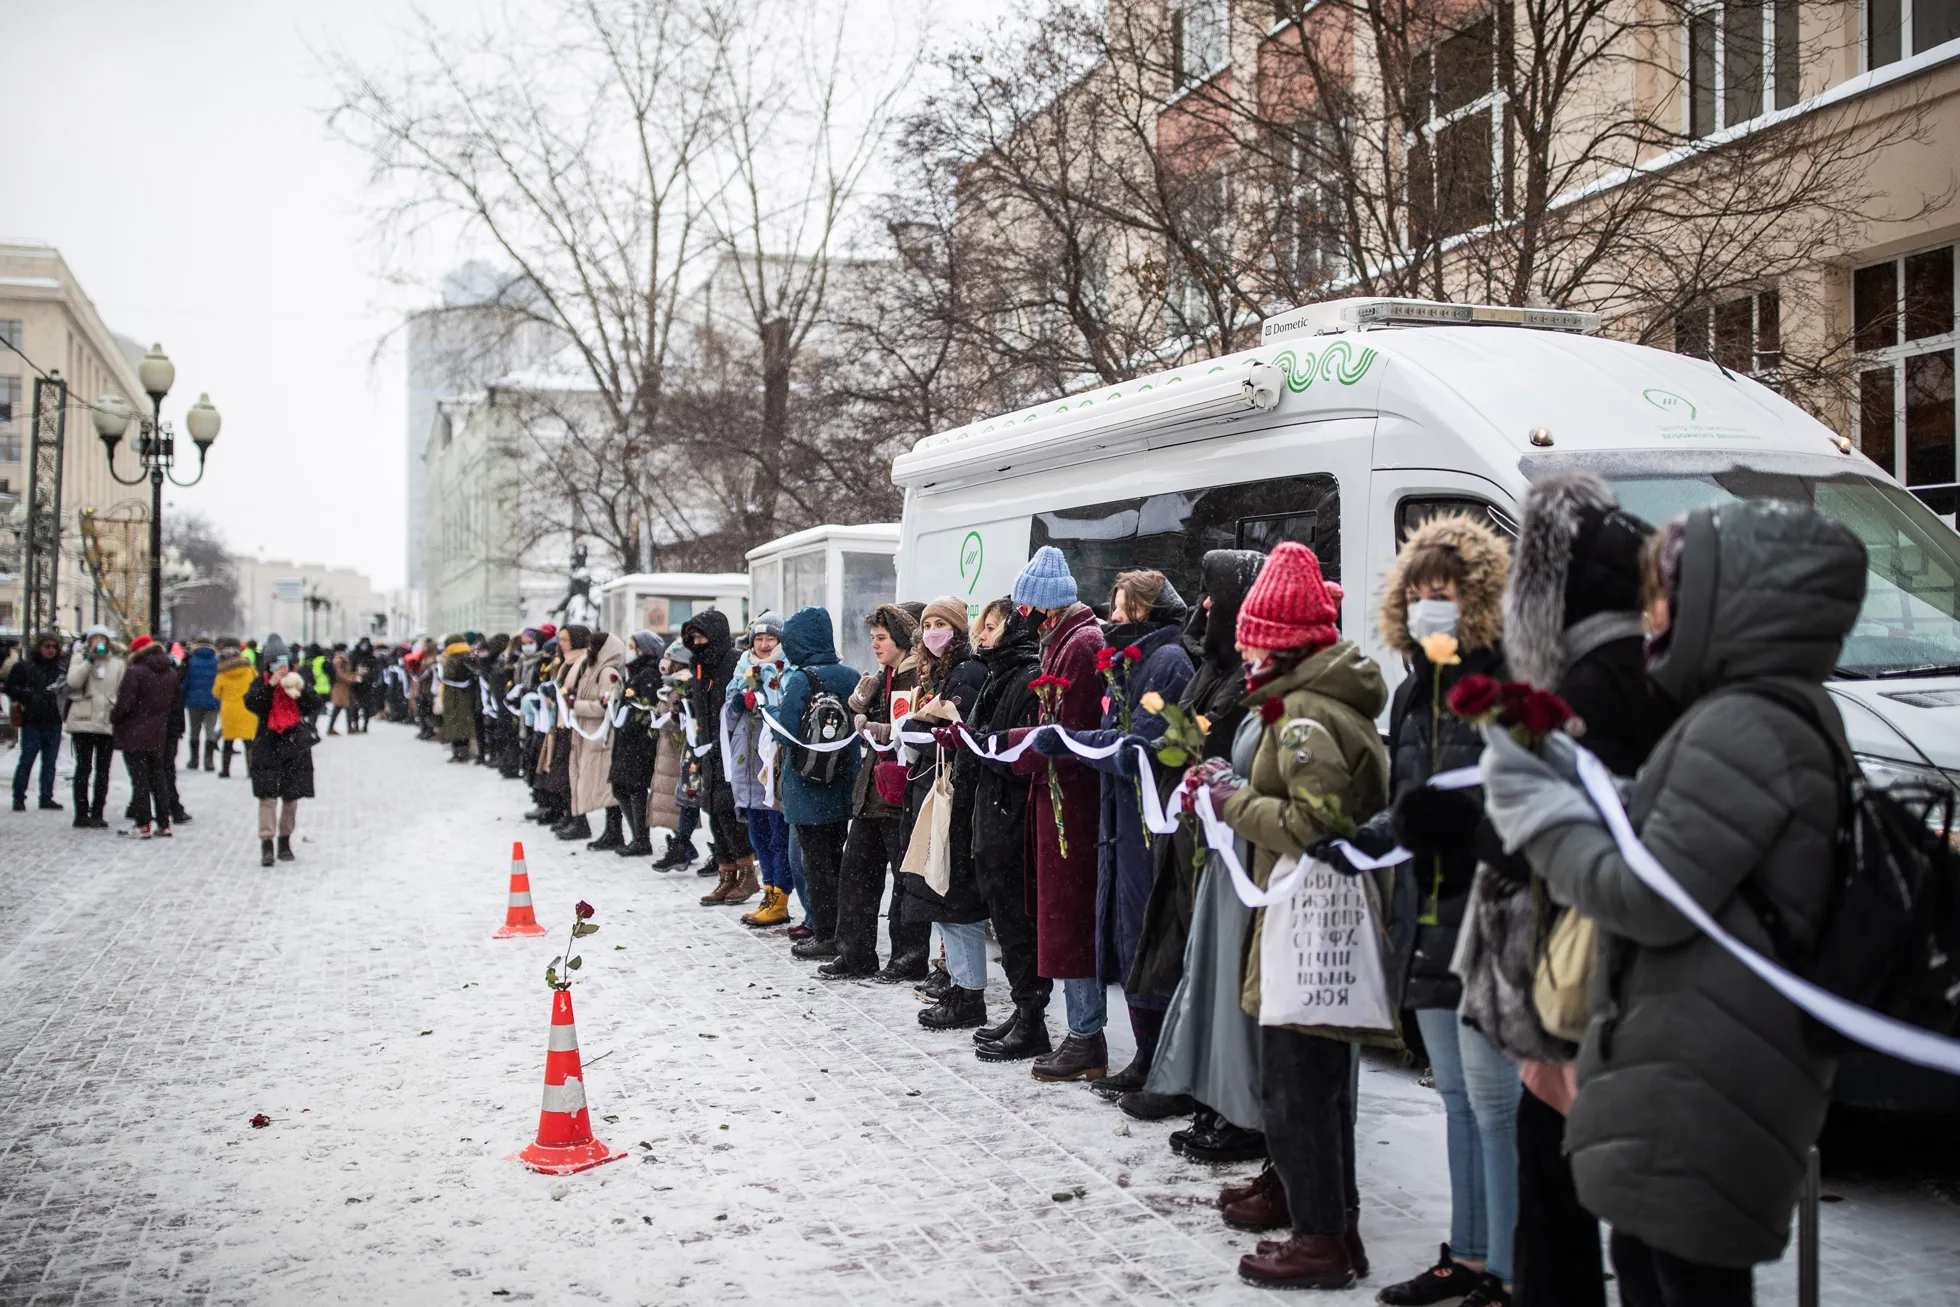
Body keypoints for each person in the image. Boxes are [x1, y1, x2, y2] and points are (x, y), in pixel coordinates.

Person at [1480, 500, 1861, 1307]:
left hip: (1703, 1066)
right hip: (1703, 1052)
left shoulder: (1744, 724)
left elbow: (1645, 896)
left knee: (1677, 1280)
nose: (1650, 614)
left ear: (1727, 605)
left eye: (1666, 595)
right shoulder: (1765, 713)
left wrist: (1539, 812)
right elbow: (1689, 844)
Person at [1468, 471, 1668, 1307]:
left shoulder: (1576, 694)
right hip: (1640, 988)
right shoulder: (1667, 674)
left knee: (1561, 1187)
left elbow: (1522, 839)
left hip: (1578, 979)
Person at [1336, 513, 1517, 1307]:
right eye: (1415, 594)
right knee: (1453, 1095)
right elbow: (1412, 803)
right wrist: (1358, 839)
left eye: (1441, 594)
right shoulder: (1415, 689)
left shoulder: (1503, 683)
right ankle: (1469, 1255)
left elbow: (1528, 800)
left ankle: (1510, 1268)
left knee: (1495, 1102)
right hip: (1427, 913)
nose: (1425, 607)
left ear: (1476, 598)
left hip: (1491, 919)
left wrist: (1463, 824)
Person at [1208, 541, 1390, 1290]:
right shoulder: (1310, 700)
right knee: (1314, 1080)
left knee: (1298, 1084)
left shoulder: (1306, 715)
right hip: (1310, 908)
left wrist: (1231, 802)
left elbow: (1317, 824)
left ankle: (1319, 1235)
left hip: (1309, 913)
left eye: (1252, 633)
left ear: (1277, 640)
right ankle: (1329, 1218)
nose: (1242, 646)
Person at [1129, 550, 1265, 1127]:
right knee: (1188, 954)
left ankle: (1217, 1094)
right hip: (1190, 832)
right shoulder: (1214, 663)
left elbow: (1204, 740)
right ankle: (1189, 1078)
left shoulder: (1243, 674)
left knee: (1217, 964)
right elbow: (1185, 734)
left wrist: (1165, 740)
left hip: (1224, 841)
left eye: (1214, 595)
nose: (1204, 605)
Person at [1057, 570, 1195, 1099]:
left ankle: (1162, 1061)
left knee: (1146, 933)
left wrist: (1074, 740)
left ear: (1144, 610)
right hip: (1124, 820)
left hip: (1150, 822)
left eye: (1119, 610)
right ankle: (1145, 1054)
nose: (1110, 618)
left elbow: (1145, 743)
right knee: (1128, 933)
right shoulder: (1132, 661)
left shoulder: (1166, 662)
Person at [1004, 546, 1109, 1080]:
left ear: (1045, 609)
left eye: (1026, 609)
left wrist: (1013, 743)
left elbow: (1071, 732)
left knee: (1070, 918)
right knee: (1060, 916)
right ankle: (1082, 1031)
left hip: (1074, 802)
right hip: (1057, 798)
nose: (1021, 619)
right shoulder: (1062, 641)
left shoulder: (1081, 644)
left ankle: (1086, 1034)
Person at [963, 600, 1050, 1061]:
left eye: (990, 628)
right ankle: (1024, 1010)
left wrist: (980, 744)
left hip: (1011, 813)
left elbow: (1023, 748)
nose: (981, 636)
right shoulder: (999, 674)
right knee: (1007, 914)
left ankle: (1033, 1018)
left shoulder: (1026, 675)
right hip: (994, 809)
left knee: (1018, 919)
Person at [899, 596, 990, 1027]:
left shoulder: (967, 672)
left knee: (954, 900)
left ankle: (968, 993)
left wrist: (922, 725)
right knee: (942, 896)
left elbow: (946, 729)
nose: (933, 631)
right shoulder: (943, 672)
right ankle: (959, 986)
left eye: (942, 623)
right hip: (943, 791)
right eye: (927, 623)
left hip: (957, 796)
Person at [827, 603, 924, 980]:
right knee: (856, 876)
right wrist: (860, 706)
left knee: (904, 881)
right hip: (872, 792)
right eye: (872, 638)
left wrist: (877, 724)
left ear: (900, 639)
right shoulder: (885, 675)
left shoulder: (914, 676)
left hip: (898, 794)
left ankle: (908, 956)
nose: (874, 645)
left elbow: (908, 732)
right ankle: (854, 954)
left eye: (881, 638)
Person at [774, 607, 863, 957]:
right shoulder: (850, 675)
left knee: (816, 866)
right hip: (842, 784)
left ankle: (825, 933)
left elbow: (787, 733)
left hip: (807, 786)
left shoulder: (800, 680)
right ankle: (844, 929)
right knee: (838, 861)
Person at [682, 611, 757, 902]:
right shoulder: (699, 666)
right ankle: (727, 873)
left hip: (730, 747)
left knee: (730, 812)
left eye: (702, 636)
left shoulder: (735, 662)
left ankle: (747, 872)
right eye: (693, 638)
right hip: (707, 748)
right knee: (713, 810)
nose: (698, 643)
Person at [725, 613, 792, 923]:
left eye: (771, 639)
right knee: (758, 834)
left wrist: (768, 701)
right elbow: (728, 715)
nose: (764, 645)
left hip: (773, 761)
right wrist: (739, 701)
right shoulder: (742, 669)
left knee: (778, 832)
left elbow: (789, 710)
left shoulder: (787, 668)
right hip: (747, 760)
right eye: (759, 640)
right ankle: (768, 891)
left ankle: (780, 896)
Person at [244, 662, 323, 865]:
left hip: (294, 745)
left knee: (291, 795)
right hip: (267, 743)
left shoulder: (298, 680)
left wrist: (299, 687)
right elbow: (253, 704)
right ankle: (267, 844)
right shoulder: (260, 683)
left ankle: (285, 841)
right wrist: (271, 685)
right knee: (267, 796)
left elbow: (314, 704)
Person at [112, 635, 181, 839]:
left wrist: (114, 716)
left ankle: (143, 824)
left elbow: (126, 703)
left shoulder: (135, 672)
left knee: (139, 780)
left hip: (134, 733)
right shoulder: (170, 672)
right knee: (158, 778)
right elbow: (176, 702)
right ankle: (164, 822)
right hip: (159, 732)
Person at [567, 630, 627, 850]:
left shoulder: (607, 672)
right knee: (599, 786)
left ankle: (614, 832)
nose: (589, 650)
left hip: (602, 738)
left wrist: (577, 706)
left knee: (606, 789)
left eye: (594, 646)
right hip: (589, 735)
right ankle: (611, 831)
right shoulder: (593, 669)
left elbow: (606, 707)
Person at [610, 631, 666, 858]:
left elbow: (647, 708)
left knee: (633, 788)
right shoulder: (638, 671)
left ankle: (641, 839)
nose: (630, 650)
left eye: (633, 646)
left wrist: (630, 723)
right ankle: (639, 837)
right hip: (628, 741)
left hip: (638, 744)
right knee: (623, 787)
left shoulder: (648, 673)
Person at [64, 626, 125, 826]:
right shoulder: (79, 658)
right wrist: (89, 660)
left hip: (106, 721)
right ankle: (81, 813)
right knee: (83, 768)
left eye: (103, 639)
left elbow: (122, 689)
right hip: (83, 719)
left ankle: (98, 812)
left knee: (103, 770)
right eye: (95, 638)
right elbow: (73, 682)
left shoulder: (117, 663)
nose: (99, 642)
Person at [7, 630, 68, 813]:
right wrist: (28, 696)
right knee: (27, 760)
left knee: (50, 763)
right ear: (39, 647)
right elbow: (10, 687)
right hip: (32, 722)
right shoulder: (26, 667)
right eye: (47, 646)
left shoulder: (61, 669)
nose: (50, 650)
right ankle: (19, 797)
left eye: (54, 647)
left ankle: (46, 797)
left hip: (53, 722)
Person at [213, 639, 260, 779]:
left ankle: (225, 770)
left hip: (229, 711)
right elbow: (257, 687)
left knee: (228, 741)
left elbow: (216, 693)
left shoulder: (222, 674)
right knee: (249, 742)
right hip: (248, 710)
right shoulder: (251, 671)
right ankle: (251, 770)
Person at [182, 638, 222, 771]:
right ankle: (209, 761)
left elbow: (186, 682)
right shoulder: (217, 662)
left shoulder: (191, 662)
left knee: (194, 731)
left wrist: (184, 698)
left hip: (194, 701)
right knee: (210, 730)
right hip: (213, 701)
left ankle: (194, 760)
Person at [439, 635, 478, 764]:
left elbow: (448, 676)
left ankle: (460, 753)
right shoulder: (467, 657)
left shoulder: (452, 659)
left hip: (454, 697)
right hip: (465, 696)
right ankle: (463, 752)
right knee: (464, 724)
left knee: (456, 725)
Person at [328, 642, 359, 736]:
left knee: (346, 707)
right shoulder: (338, 659)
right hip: (340, 686)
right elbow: (339, 673)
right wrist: (350, 679)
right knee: (339, 707)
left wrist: (353, 676)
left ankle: (348, 728)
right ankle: (332, 728)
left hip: (344, 687)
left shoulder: (342, 658)